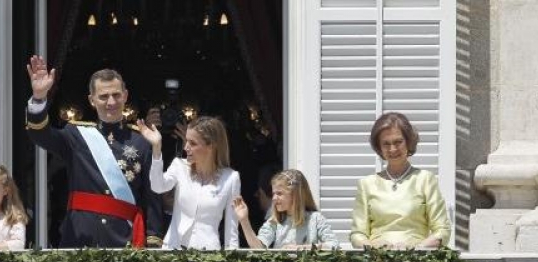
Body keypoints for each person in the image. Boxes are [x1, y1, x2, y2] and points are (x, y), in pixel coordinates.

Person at [25, 55, 163, 248]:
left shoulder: (142, 140)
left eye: (116, 95)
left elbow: (152, 195)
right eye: (104, 96)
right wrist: (39, 97)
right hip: (81, 237)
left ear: (125, 96)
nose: (111, 102)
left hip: (126, 239)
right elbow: (40, 134)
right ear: (92, 100)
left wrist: (154, 239)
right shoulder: (76, 134)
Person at [350, 112, 451, 249]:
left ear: (409, 142)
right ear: (379, 147)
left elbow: (442, 231)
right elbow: (357, 234)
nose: (392, 149)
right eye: (386, 144)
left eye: (398, 142)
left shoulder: (425, 179)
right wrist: (375, 249)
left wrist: (415, 249)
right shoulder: (366, 184)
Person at [140, 115, 240, 250]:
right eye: (186, 141)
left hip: (208, 256)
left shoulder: (231, 178)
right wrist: (157, 147)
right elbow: (157, 186)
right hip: (173, 251)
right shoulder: (179, 166)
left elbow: (231, 230)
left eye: (193, 143)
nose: (186, 147)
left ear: (211, 146)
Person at [234, 169, 338, 250]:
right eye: (273, 194)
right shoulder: (274, 221)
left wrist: (304, 248)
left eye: (279, 193)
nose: (274, 198)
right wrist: (244, 220)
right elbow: (258, 249)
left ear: (295, 195)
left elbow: (334, 245)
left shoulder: (315, 219)